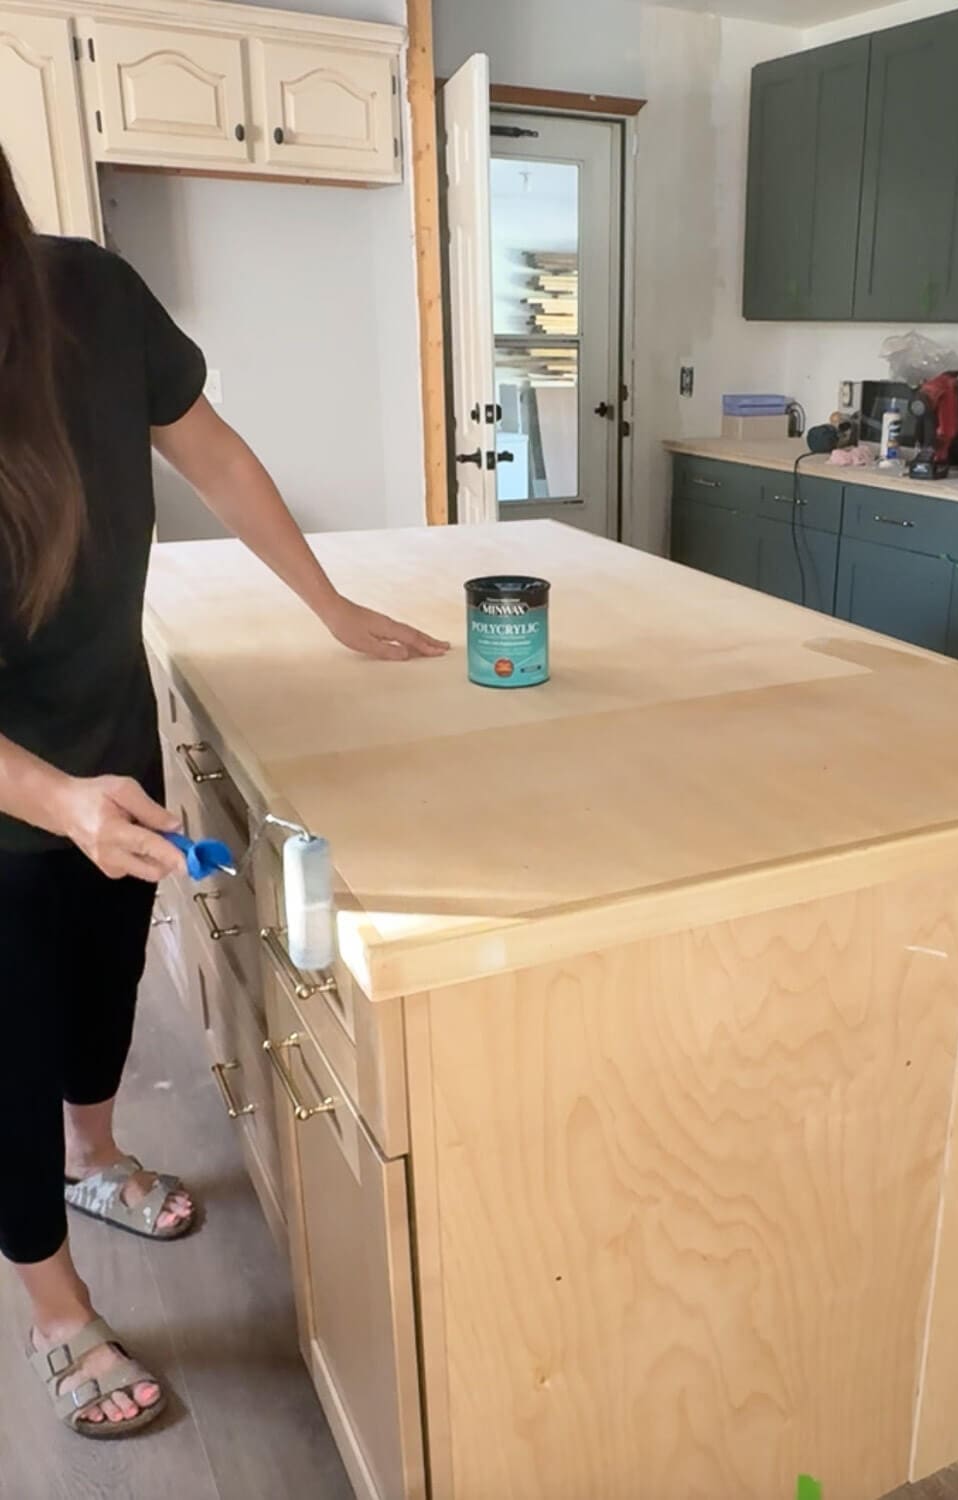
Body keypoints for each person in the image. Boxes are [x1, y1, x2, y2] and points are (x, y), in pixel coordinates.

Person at [0, 144, 448, 1438]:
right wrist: (56, 801)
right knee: (9, 1057)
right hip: (14, 803)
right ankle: (56, 1310)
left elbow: (221, 457)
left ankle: (95, 1156)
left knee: (99, 992)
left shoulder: (90, 296)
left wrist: (333, 606)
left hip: (108, 749)